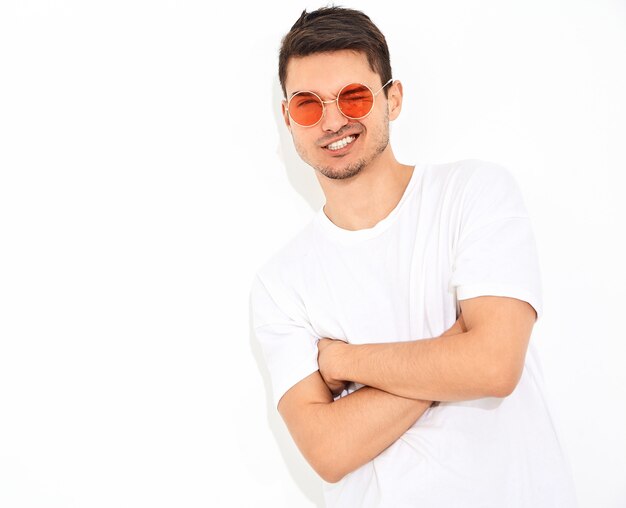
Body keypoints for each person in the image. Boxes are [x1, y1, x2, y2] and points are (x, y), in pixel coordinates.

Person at [250, 6, 577, 507]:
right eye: (308, 105)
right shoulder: (281, 283)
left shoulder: (474, 193)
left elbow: (494, 366)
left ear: (392, 98)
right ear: (288, 119)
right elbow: (328, 450)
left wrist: (346, 360)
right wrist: (454, 352)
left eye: (354, 96)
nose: (333, 120)